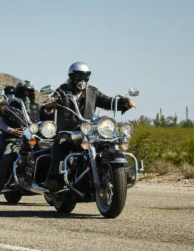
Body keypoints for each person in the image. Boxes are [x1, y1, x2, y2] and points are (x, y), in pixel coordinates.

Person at [41, 62, 135, 192]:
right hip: (69, 131)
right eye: (79, 75)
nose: (82, 79)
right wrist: (49, 103)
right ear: (72, 76)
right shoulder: (62, 90)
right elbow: (51, 102)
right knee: (60, 141)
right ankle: (54, 177)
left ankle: (125, 171)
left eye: (86, 76)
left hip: (89, 130)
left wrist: (123, 103)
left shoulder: (92, 91)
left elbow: (107, 101)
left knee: (109, 140)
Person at [0, 80, 39, 203]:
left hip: (36, 140)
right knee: (7, 157)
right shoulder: (11, 108)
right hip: (15, 140)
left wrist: (50, 108)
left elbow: (47, 117)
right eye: (23, 93)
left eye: (29, 93)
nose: (27, 96)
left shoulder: (37, 108)